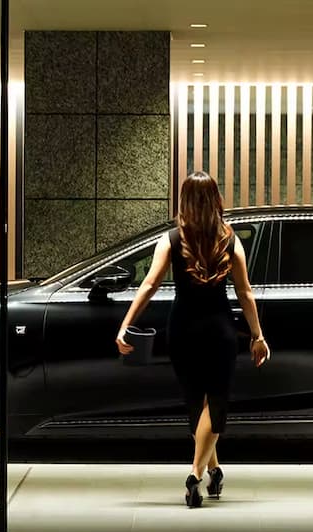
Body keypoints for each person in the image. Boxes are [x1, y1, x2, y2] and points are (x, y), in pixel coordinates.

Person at [115, 171, 270, 508]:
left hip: (182, 330)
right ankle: (196, 475)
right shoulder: (230, 241)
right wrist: (257, 335)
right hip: (219, 331)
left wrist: (125, 324)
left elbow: (150, 284)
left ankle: (214, 473)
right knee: (216, 404)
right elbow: (244, 293)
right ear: (216, 200)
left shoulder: (171, 240)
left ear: (184, 201)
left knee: (195, 403)